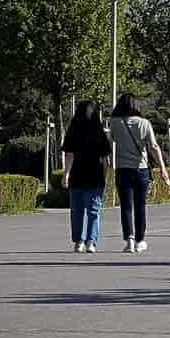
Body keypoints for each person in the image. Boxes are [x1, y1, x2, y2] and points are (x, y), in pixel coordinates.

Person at [108, 93, 170, 253]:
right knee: (140, 206)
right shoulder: (145, 123)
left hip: (122, 170)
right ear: (137, 106)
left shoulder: (114, 123)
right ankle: (140, 240)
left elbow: (109, 143)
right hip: (141, 170)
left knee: (126, 207)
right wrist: (163, 169)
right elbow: (154, 147)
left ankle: (129, 239)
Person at [61, 99, 111, 253]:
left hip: (77, 176)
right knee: (94, 210)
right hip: (95, 175)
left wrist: (66, 175)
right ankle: (91, 242)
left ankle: (79, 241)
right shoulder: (99, 131)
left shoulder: (73, 129)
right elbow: (106, 157)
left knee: (77, 211)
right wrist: (106, 175)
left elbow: (69, 154)